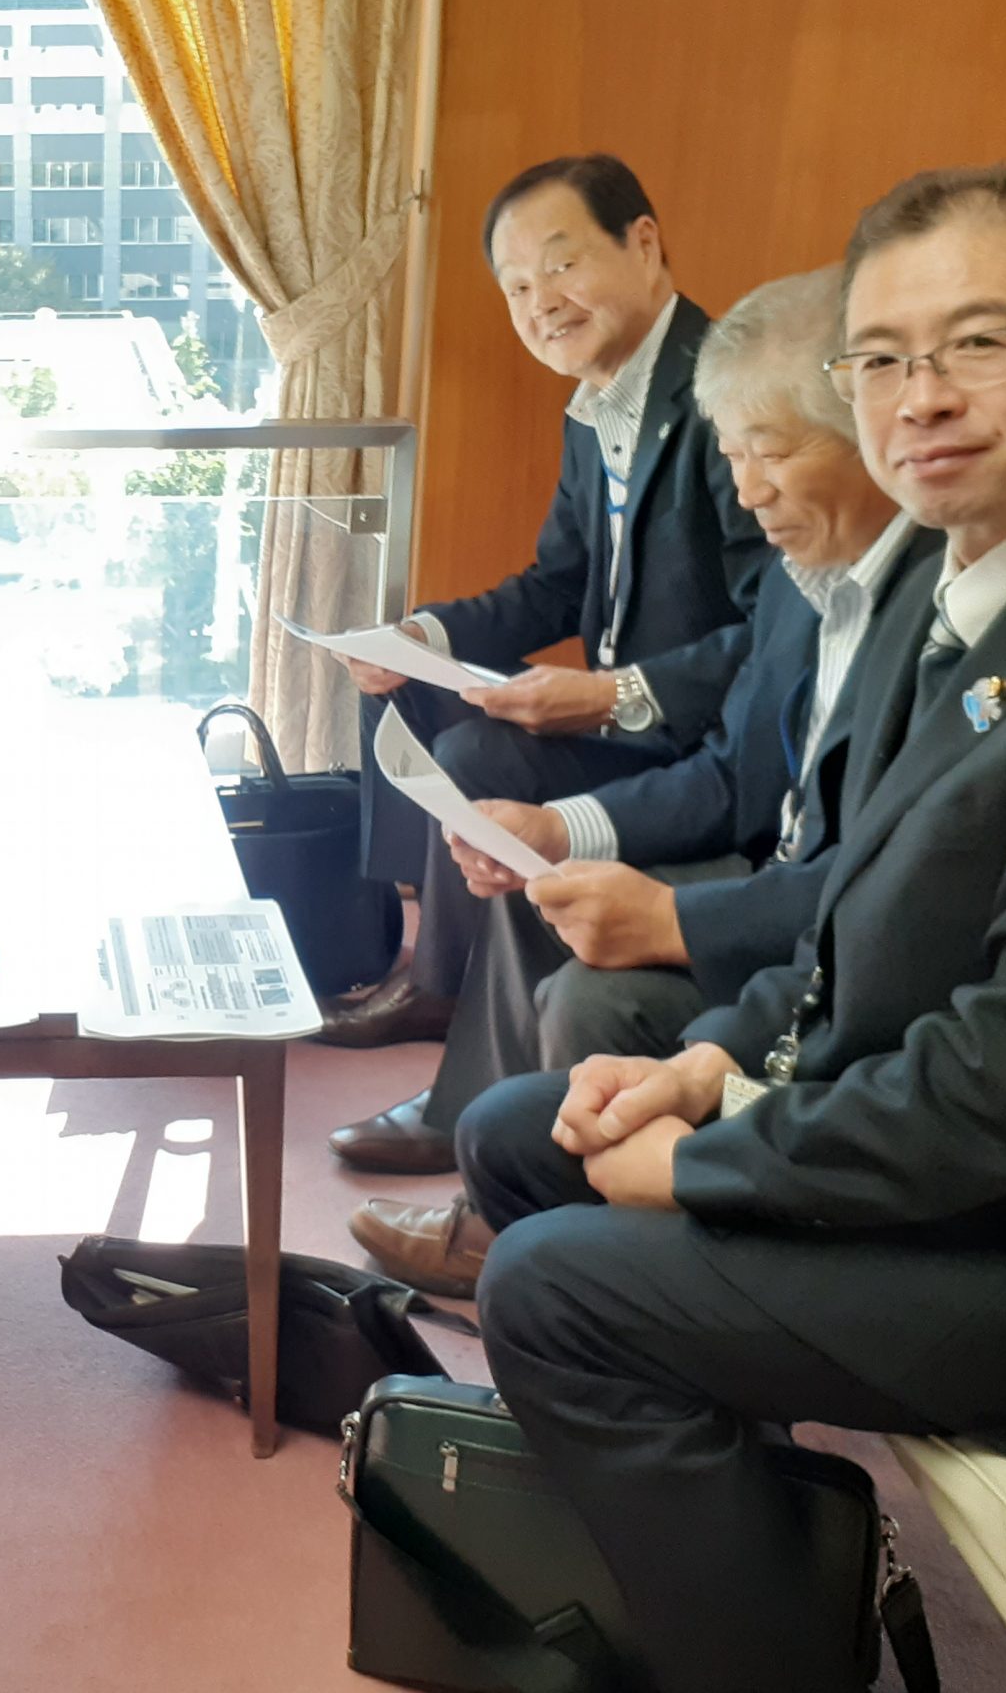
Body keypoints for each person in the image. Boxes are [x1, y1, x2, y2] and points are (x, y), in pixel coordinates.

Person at [456, 163, 1006, 1693]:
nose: (922, 396)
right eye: (882, 358)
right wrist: (705, 1065)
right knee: (522, 1136)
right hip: (975, 1184)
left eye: (981, 342)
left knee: (552, 1290)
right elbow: (845, 924)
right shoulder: (941, 584)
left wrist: (706, 1159)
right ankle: (757, 1590)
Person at [340, 268, 934, 1295]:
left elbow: (884, 892)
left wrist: (671, 919)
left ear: (876, 428)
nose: (748, 491)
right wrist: (559, 830)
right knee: (541, 872)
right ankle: (511, 1206)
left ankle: (582, 1267)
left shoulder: (936, 615)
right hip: (770, 873)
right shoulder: (801, 586)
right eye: (734, 457)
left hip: (813, 925)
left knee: (594, 996)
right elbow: (733, 776)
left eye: (772, 453)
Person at [322, 155, 769, 1050]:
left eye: (562, 266)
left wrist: (610, 694)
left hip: (708, 739)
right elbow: (560, 584)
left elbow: (783, 635)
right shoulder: (597, 406)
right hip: (633, 720)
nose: (542, 303)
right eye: (518, 286)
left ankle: (446, 995)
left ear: (644, 244)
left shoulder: (729, 393)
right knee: (411, 686)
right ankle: (424, 953)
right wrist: (422, 635)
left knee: (478, 754)